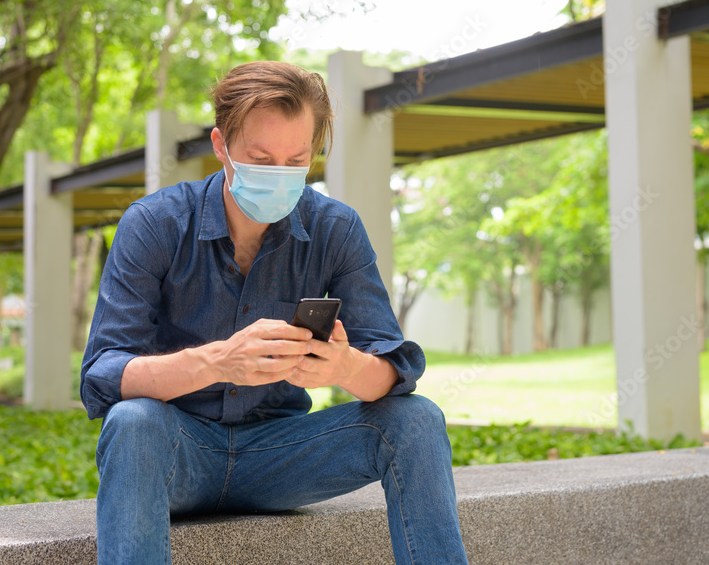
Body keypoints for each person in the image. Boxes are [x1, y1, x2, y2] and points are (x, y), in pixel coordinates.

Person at [80, 61, 467, 564]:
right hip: (175, 451)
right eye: (261, 159)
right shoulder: (154, 225)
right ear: (221, 147)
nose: (279, 176)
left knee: (417, 420)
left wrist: (346, 367)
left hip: (282, 457)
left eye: (295, 160)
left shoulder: (336, 230)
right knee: (134, 422)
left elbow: (394, 373)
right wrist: (217, 361)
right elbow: (102, 376)